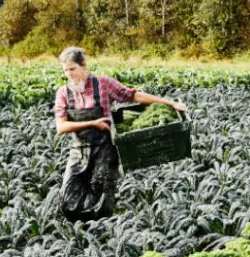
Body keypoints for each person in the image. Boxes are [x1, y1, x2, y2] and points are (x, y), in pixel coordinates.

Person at [53, 46, 187, 221]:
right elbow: (61, 126)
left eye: (73, 69)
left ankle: (100, 235)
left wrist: (170, 103)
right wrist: (93, 123)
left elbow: (134, 96)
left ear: (83, 65)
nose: (70, 74)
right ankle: (81, 229)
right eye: (66, 71)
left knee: (102, 200)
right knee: (67, 201)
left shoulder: (103, 84)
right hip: (79, 152)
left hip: (105, 151)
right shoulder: (64, 93)